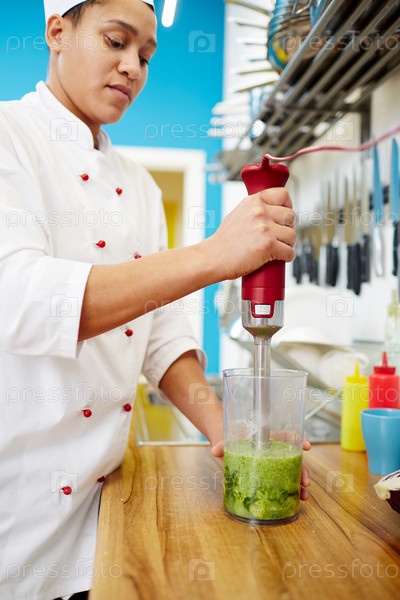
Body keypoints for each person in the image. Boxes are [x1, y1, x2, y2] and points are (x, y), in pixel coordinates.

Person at [0, 0, 310, 598]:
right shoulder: (8, 136)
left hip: (108, 510)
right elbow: (23, 301)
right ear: (58, 32)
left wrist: (228, 429)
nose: (133, 68)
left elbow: (161, 335)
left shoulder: (137, 186)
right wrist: (216, 255)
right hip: (18, 517)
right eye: (116, 42)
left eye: (145, 55)